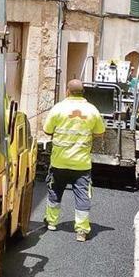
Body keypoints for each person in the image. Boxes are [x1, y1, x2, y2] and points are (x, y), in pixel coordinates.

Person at [42, 79, 105, 242]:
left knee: (54, 191)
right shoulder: (92, 110)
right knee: (82, 196)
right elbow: (100, 132)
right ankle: (82, 231)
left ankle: (51, 222)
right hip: (81, 163)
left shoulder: (58, 108)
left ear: (67, 91)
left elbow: (47, 130)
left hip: (59, 161)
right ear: (83, 92)